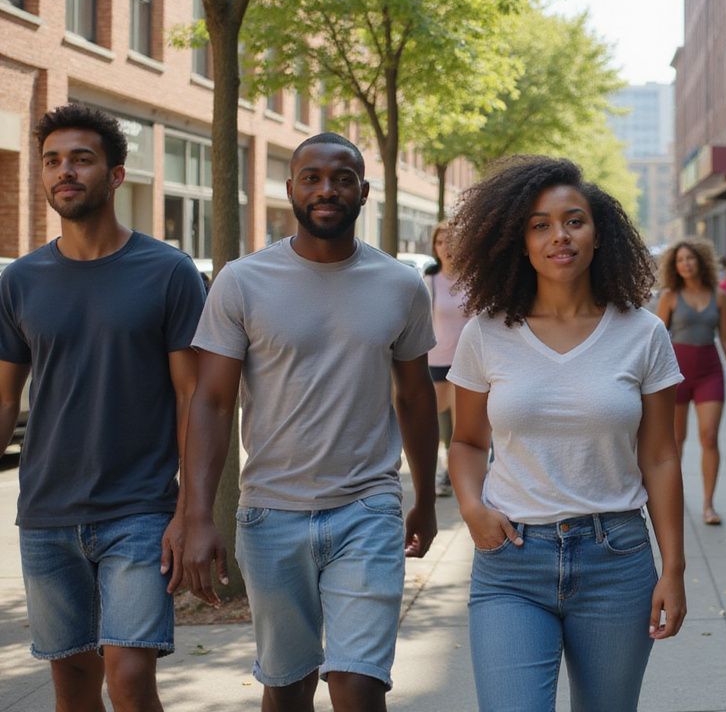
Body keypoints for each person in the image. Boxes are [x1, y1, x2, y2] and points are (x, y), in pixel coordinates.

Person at [181, 132, 439, 712]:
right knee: (288, 686)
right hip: (271, 512)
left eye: (342, 178)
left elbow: (417, 397)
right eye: (313, 178)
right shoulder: (241, 281)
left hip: (368, 507)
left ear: (364, 191)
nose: (327, 189)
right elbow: (212, 402)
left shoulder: (400, 284)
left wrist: (422, 496)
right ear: (291, 188)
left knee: (358, 683)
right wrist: (197, 513)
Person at [446, 155, 687, 711]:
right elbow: (466, 442)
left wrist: (672, 568)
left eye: (574, 220)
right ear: (519, 241)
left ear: (599, 234)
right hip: (512, 561)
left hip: (617, 558)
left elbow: (660, 458)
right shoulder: (486, 333)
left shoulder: (642, 332)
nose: (560, 236)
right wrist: (471, 507)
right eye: (540, 225)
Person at [0, 104, 205, 711]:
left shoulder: (168, 272)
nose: (65, 172)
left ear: (116, 175)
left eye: (81, 160)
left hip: (139, 509)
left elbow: (192, 395)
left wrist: (191, 509)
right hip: (47, 512)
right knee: (73, 686)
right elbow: (5, 396)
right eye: (53, 161)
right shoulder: (20, 281)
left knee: (131, 676)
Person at [656, 238, 726, 525]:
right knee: (676, 440)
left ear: (700, 261)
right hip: (676, 375)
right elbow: (655, 337)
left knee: (710, 436)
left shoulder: (719, 296)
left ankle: (708, 504)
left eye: (690, 258)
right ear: (674, 266)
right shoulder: (669, 296)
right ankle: (674, 500)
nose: (686, 264)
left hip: (710, 372)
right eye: (680, 260)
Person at [425, 219, 471, 498]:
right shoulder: (429, 281)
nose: (446, 247)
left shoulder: (472, 279)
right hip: (435, 358)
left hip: (465, 360)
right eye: (440, 241)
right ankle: (435, 470)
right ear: (435, 247)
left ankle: (451, 475)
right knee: (434, 421)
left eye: (451, 240)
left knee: (459, 426)